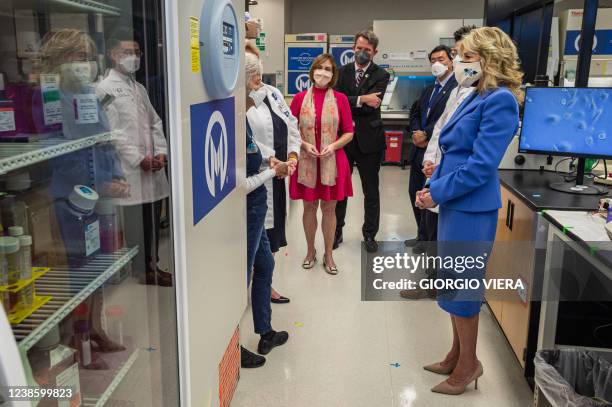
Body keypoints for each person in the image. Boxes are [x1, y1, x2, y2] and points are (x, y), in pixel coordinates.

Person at [415, 27, 523, 395]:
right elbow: (456, 149)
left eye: (467, 55)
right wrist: (436, 175)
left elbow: (480, 166)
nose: (459, 61)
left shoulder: (501, 100)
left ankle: (467, 367)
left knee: (463, 289)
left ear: (490, 59)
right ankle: (455, 354)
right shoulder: (473, 96)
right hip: (456, 202)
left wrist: (436, 193)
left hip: (471, 208)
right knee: (452, 283)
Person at [400, 27, 476, 301]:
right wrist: (431, 159)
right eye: (456, 54)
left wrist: (438, 174)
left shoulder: (479, 94)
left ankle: (439, 283)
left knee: (448, 239)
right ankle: (434, 280)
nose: (456, 61)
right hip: (437, 169)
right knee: (434, 229)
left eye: (460, 55)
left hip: (457, 180)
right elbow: (441, 128)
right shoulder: (456, 91)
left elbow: (472, 152)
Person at [97, 29, 172, 287]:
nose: (134, 57)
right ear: (112, 54)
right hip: (131, 169)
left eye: (137, 53)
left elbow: (155, 122)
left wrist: (161, 152)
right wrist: (139, 158)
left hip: (152, 166)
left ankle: (153, 264)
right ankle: (142, 269)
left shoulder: (138, 87)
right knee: (136, 224)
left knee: (151, 221)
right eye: (127, 52)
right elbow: (112, 132)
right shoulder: (105, 88)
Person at [245, 45, 300, 304]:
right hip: (258, 176)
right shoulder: (241, 102)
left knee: (274, 232)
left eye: (258, 70)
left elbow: (291, 126)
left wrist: (292, 157)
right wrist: (271, 163)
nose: (258, 78)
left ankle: (266, 284)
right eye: (252, 73)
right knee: (257, 235)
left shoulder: (274, 94)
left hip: (279, 174)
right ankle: (252, 287)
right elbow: (249, 143)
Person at [289, 54, 354, 274]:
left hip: (332, 161)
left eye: (328, 69)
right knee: (308, 207)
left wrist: (334, 146)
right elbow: (291, 132)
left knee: (329, 208)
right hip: (307, 161)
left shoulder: (340, 99)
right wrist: (304, 146)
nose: (323, 73)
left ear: (333, 74)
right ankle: (310, 251)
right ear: (313, 70)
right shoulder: (298, 99)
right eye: (320, 68)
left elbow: (349, 132)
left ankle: (328, 254)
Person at [241, 97, 290, 368]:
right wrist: (272, 171)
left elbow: (251, 147)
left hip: (256, 209)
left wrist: (270, 156)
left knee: (265, 264)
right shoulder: (227, 115)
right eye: (254, 82)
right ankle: (231, 345)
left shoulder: (241, 116)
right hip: (247, 209)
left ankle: (265, 331)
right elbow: (239, 184)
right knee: (241, 278)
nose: (259, 90)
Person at [334, 30, 390, 253]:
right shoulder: (341, 72)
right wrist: (361, 99)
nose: (362, 52)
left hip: (370, 142)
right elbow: (337, 102)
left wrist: (353, 101)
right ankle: (337, 231)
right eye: (359, 48)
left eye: (367, 49)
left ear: (374, 52)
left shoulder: (381, 75)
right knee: (340, 190)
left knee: (371, 191)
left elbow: (371, 105)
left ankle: (369, 234)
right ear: (353, 48)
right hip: (344, 140)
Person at [405, 45, 457, 253]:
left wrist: (426, 134)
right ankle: (421, 235)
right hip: (419, 150)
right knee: (415, 193)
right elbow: (415, 113)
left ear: (451, 61)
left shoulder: (456, 88)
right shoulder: (428, 89)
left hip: (436, 151)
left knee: (431, 196)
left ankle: (429, 242)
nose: (437, 63)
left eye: (442, 59)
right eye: (433, 60)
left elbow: (444, 119)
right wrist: (416, 131)